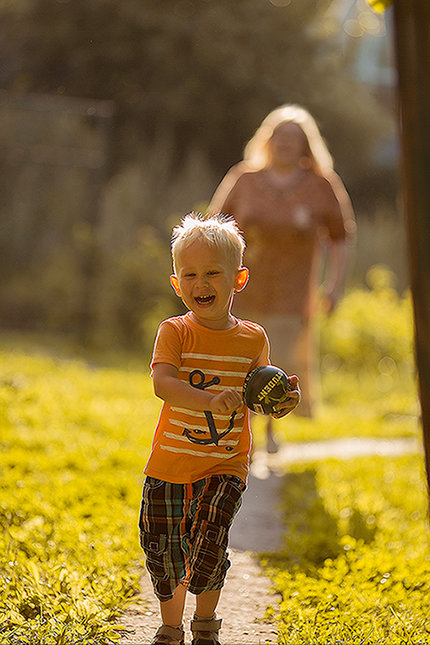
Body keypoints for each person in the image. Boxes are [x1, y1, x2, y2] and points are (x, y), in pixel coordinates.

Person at [139, 213, 300, 645]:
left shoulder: (252, 339)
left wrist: (281, 401)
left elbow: (259, 397)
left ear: (238, 278)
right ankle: (170, 627)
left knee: (209, 541)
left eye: (213, 272)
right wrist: (208, 399)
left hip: (224, 463)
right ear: (177, 284)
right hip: (169, 464)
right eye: (189, 274)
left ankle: (204, 627)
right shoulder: (174, 331)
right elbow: (163, 383)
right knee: (164, 549)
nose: (200, 282)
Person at [210, 104, 355, 452]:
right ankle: (245, 433)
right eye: (279, 136)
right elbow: (215, 226)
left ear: (306, 145)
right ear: (267, 140)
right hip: (243, 289)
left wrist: (335, 285)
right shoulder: (244, 178)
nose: (285, 143)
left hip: (293, 293)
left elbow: (341, 236)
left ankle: (270, 429)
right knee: (241, 359)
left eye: (294, 137)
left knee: (280, 361)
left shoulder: (321, 185)